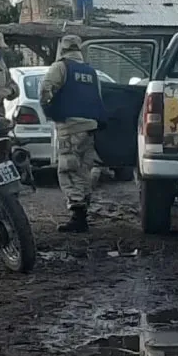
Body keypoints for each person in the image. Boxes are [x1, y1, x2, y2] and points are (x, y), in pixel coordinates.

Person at [39, 35, 106, 233]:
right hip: (89, 128)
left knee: (68, 169)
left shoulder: (60, 67)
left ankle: (77, 216)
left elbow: (45, 90)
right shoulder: (91, 72)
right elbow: (99, 99)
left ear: (62, 49)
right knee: (84, 169)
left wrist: (50, 112)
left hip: (69, 127)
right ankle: (83, 211)